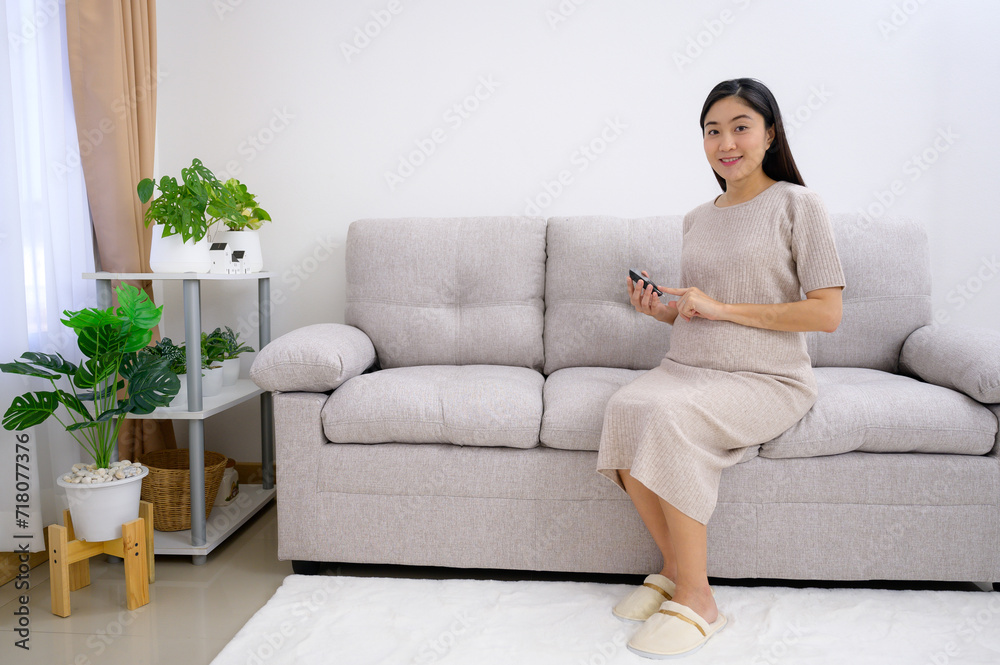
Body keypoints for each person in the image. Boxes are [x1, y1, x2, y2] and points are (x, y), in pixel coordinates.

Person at [596, 78, 847, 659]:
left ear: (770, 134)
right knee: (626, 406)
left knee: (663, 415)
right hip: (689, 364)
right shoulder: (696, 218)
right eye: (713, 131)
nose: (726, 142)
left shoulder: (796, 204)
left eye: (740, 127)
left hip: (767, 379)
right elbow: (701, 311)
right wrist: (667, 310)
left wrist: (720, 307)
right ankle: (672, 571)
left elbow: (827, 314)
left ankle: (699, 598)